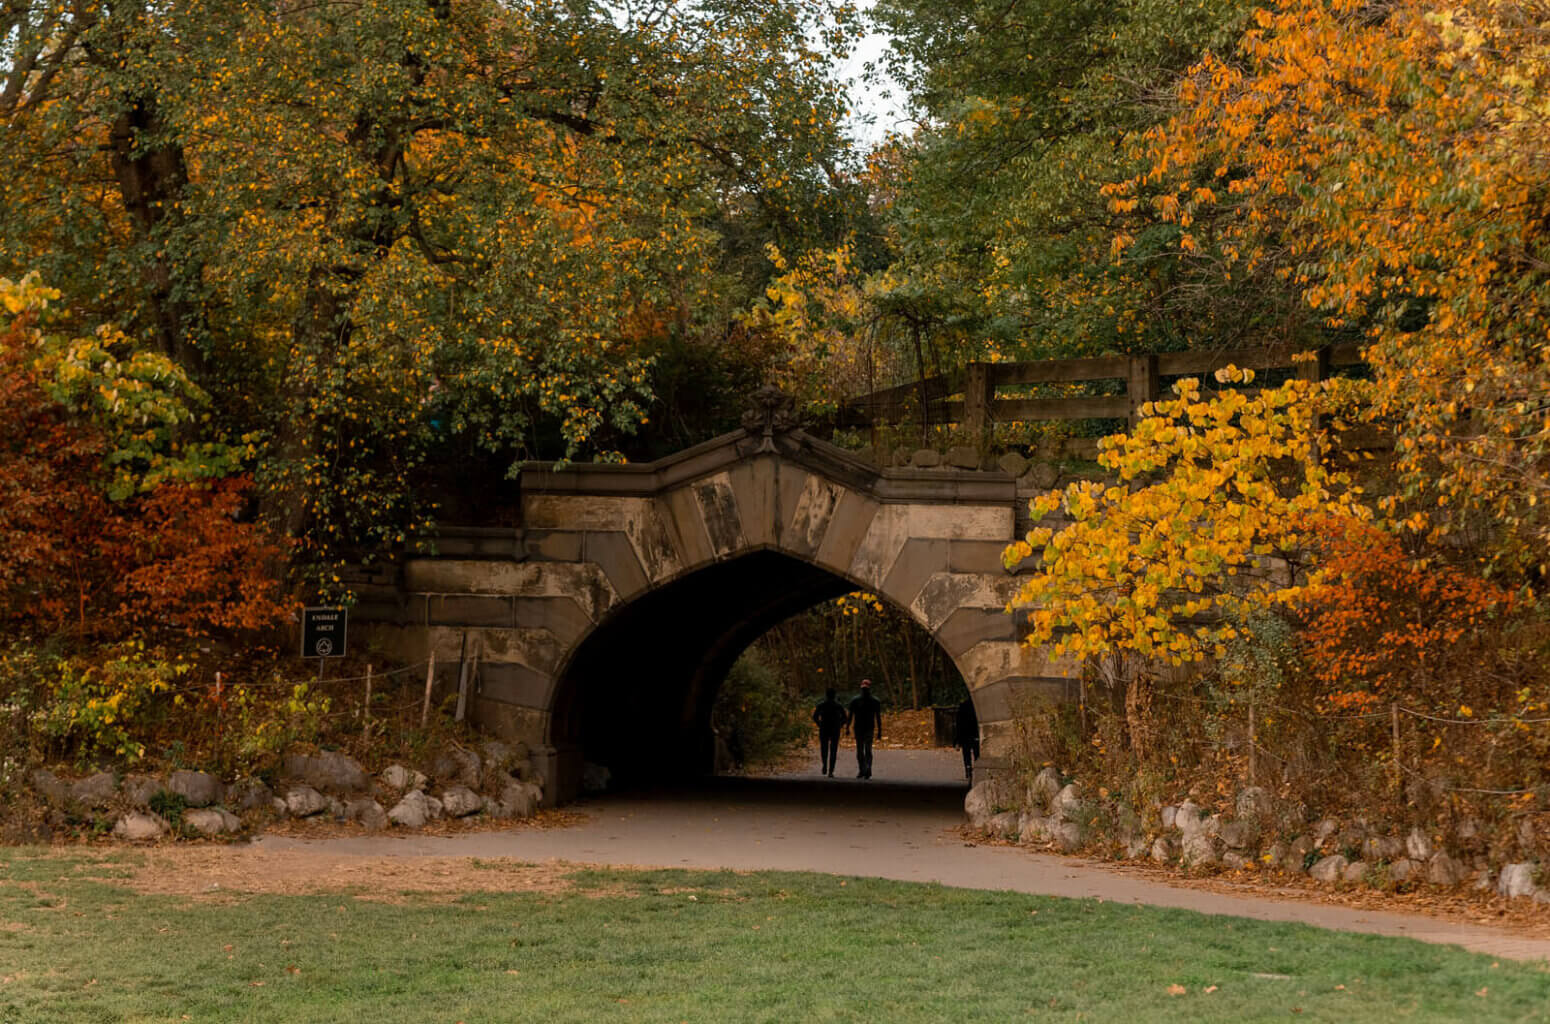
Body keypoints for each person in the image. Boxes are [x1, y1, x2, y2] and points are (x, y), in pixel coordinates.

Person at [847, 679, 882, 779]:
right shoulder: (855, 700)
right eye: (863, 689)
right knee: (859, 750)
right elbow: (850, 715)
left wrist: (879, 731)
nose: (864, 691)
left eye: (866, 689)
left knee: (867, 749)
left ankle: (868, 768)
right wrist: (847, 727)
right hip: (858, 728)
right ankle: (862, 769)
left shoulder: (875, 701)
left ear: (869, 689)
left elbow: (878, 717)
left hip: (869, 728)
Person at [811, 687, 849, 778]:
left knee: (824, 748)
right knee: (833, 750)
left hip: (824, 728)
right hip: (835, 729)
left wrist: (819, 724)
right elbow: (845, 718)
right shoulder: (838, 705)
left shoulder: (821, 705)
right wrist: (840, 724)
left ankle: (824, 764)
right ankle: (831, 770)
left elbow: (815, 716)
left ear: (826, 695)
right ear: (834, 695)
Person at [955, 696, 979, 783]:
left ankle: (968, 768)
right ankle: (976, 769)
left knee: (966, 753)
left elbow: (958, 724)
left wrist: (957, 740)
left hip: (965, 734)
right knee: (976, 753)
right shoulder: (978, 706)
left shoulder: (963, 706)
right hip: (975, 733)